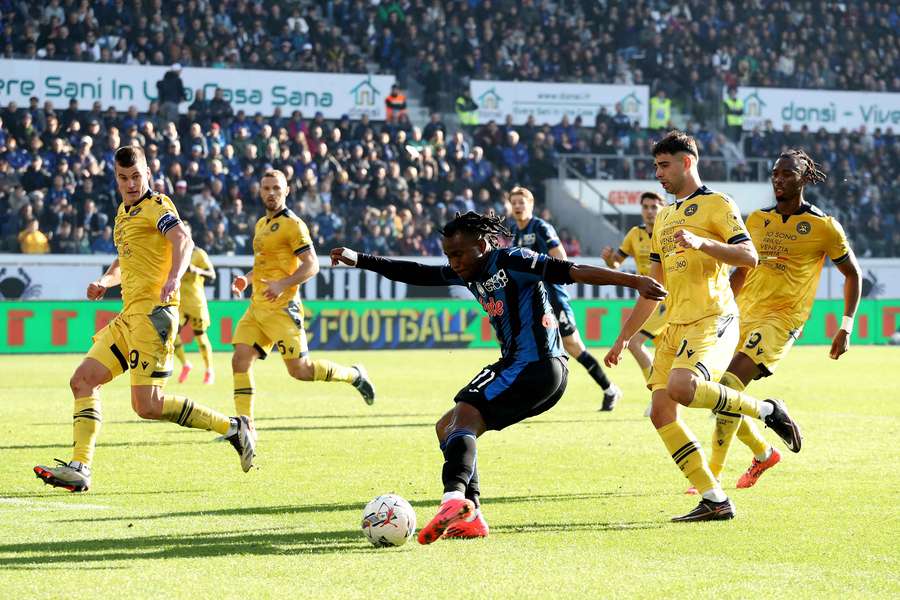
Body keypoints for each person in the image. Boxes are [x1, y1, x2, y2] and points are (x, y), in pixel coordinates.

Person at [330, 211, 666, 543]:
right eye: (449, 255)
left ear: (481, 244)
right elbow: (417, 272)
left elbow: (572, 271)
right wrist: (359, 259)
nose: (454, 261)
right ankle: (470, 517)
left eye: (458, 253)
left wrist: (634, 281)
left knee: (465, 412)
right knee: (446, 426)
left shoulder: (513, 259)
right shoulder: (468, 271)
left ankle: (453, 500)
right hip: (527, 368)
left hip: (537, 365)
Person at [603, 131, 802, 522]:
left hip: (714, 317)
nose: (658, 173)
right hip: (674, 325)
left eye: (664, 165)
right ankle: (715, 499)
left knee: (681, 387)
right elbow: (652, 287)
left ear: (687, 162)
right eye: (656, 166)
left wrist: (702, 243)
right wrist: (624, 337)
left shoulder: (717, 203)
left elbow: (749, 256)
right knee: (662, 412)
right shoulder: (663, 217)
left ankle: (766, 410)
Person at [34, 145, 255, 492]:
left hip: (154, 316)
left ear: (147, 173)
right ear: (116, 179)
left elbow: (182, 239)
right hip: (128, 316)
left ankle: (233, 427)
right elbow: (123, 262)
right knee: (82, 381)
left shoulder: (158, 205)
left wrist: (173, 277)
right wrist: (104, 282)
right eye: (124, 178)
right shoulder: (123, 214)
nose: (131, 184)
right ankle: (80, 467)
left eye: (136, 176)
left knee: (147, 406)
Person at [687, 149, 860, 493]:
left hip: (782, 320)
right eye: (775, 174)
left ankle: (711, 477)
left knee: (730, 386)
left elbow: (852, 274)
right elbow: (741, 270)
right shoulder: (755, 221)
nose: (779, 180)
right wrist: (722, 310)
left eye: (787, 174)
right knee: (720, 395)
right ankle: (763, 453)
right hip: (742, 315)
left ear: (804, 178)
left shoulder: (825, 227)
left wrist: (847, 324)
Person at [229, 169, 375, 432]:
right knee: (240, 359)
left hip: (283, 309)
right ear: (260, 191)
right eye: (266, 188)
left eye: (276, 188)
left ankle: (355, 375)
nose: (271, 193)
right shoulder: (261, 224)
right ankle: (244, 426)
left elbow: (312, 265)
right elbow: (268, 268)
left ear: (287, 191)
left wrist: (283, 285)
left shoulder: (293, 225)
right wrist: (247, 279)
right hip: (257, 308)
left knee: (301, 371)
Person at [510, 186, 623, 410]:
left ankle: (611, 389)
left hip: (553, 297)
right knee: (531, 345)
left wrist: (542, 272)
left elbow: (560, 257)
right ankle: (527, 397)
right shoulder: (515, 231)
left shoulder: (541, 227)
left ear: (531, 205)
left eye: (521, 202)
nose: (517, 206)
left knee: (573, 345)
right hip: (534, 300)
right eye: (514, 203)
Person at [602, 192, 668, 411]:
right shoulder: (634, 234)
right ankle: (718, 399)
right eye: (646, 207)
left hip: (667, 298)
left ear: (662, 208)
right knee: (665, 355)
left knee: (635, 342)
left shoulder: (667, 232)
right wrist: (609, 259)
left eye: (653, 207)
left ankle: (657, 398)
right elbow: (616, 264)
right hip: (649, 298)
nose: (649, 211)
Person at [174, 221, 217, 385]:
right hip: (178, 302)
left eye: (185, 231)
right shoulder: (173, 252)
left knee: (200, 337)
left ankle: (209, 370)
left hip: (195, 302)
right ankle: (185, 364)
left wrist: (197, 270)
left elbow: (212, 274)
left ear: (189, 234)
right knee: (170, 335)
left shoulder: (199, 254)